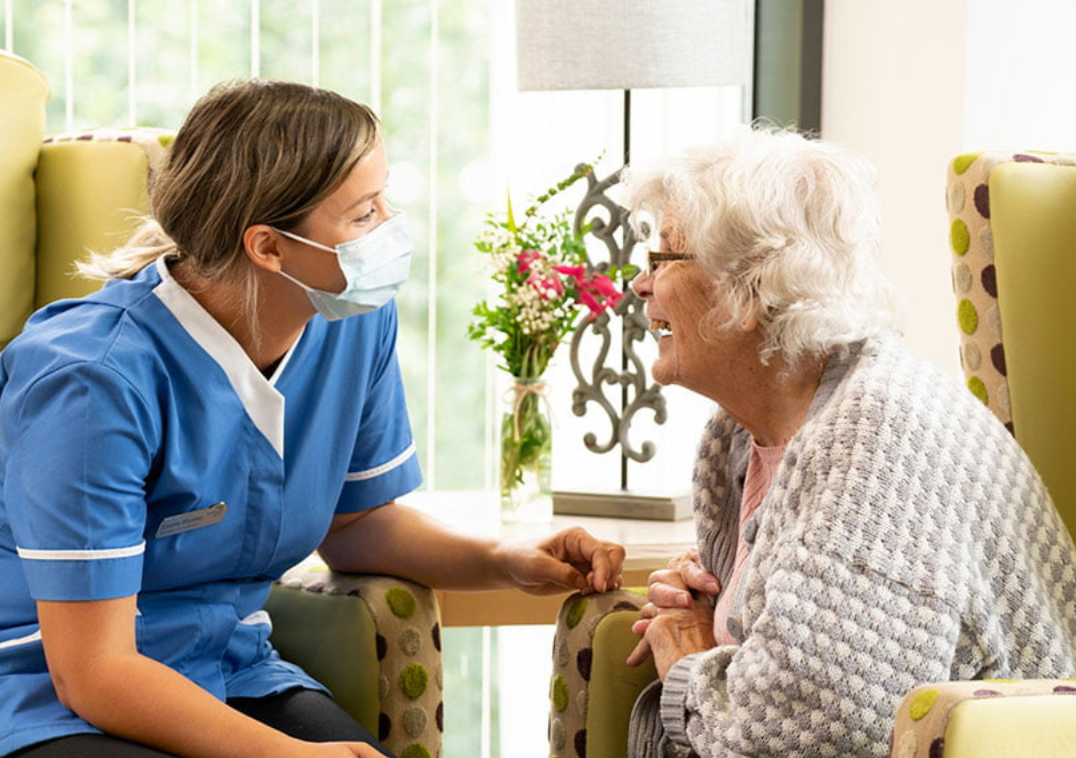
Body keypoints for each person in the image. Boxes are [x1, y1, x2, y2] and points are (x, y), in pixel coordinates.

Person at [0, 79, 625, 758]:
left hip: (225, 668)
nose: (390, 226)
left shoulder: (350, 322)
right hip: (45, 692)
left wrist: (503, 561)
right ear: (267, 247)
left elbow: (356, 524)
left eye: (385, 198)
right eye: (363, 214)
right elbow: (92, 673)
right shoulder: (90, 378)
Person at [620, 127, 1076, 758]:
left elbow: (804, 729)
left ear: (749, 286)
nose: (640, 286)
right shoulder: (738, 435)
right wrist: (707, 607)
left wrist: (684, 666)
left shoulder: (883, 435)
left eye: (662, 259)